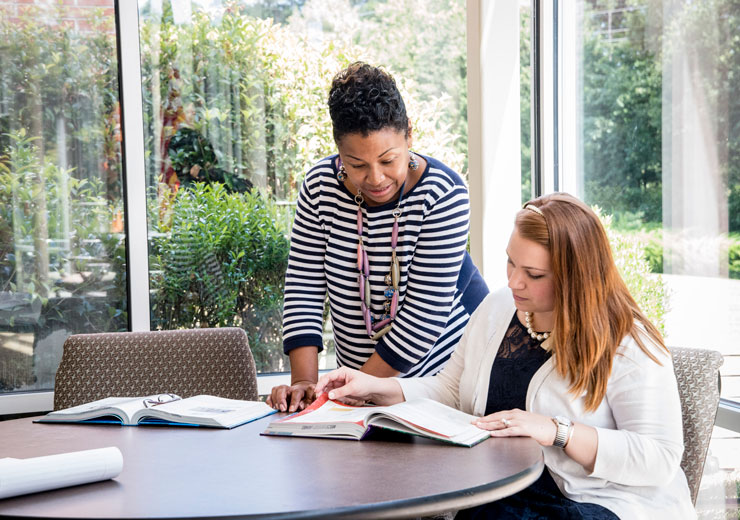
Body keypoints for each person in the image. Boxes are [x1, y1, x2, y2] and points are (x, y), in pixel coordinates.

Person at [315, 193, 694, 519]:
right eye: (511, 262)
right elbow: (450, 390)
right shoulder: (498, 307)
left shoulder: (628, 342)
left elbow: (660, 458)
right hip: (504, 493)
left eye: (533, 273)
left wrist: (557, 431)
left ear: (576, 277)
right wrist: (379, 388)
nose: (514, 281)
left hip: (601, 502)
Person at [267, 62, 488, 413]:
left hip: (443, 385)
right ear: (339, 150)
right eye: (356, 165)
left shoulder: (443, 194)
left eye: (389, 160)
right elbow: (303, 289)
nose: (375, 178)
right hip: (360, 389)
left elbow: (420, 323)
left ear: (409, 136)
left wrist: (343, 397)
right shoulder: (319, 187)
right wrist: (306, 386)